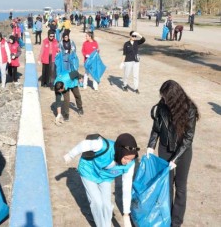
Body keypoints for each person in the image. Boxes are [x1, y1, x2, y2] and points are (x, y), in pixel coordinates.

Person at [146, 80, 199, 227]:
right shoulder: (162, 106)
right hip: (164, 148)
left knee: (180, 187)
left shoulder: (190, 110)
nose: (163, 99)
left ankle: (176, 222)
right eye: (162, 97)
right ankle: (166, 216)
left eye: (165, 97)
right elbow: (156, 128)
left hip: (182, 151)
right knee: (166, 185)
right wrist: (151, 146)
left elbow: (188, 139)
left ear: (174, 98)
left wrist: (175, 158)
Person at [63, 133, 140, 227]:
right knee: (97, 202)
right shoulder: (103, 146)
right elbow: (84, 144)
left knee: (107, 205)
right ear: (120, 151)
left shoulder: (130, 164)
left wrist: (126, 214)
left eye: (131, 159)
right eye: (126, 158)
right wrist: (70, 155)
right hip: (89, 171)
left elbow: (127, 188)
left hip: (105, 177)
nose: (127, 162)